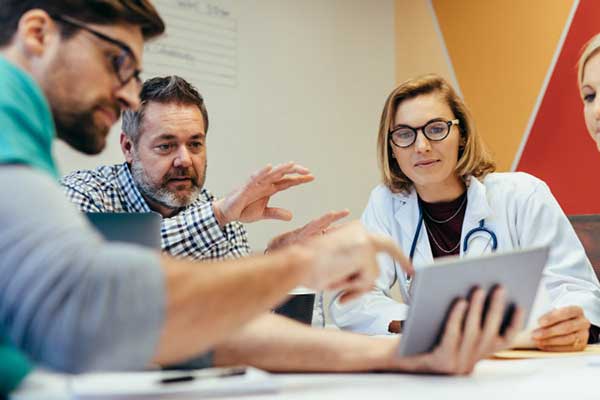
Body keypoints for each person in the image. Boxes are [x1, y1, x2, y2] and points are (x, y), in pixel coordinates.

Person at [0, 0, 520, 385]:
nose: (127, 92)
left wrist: (400, 354)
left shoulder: (28, 139)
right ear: (38, 33)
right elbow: (100, 304)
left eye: (196, 143)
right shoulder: (11, 122)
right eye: (117, 62)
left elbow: (207, 326)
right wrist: (297, 267)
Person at [330, 74, 600, 352]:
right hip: (439, 369)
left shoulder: (523, 194)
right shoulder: (386, 203)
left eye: (436, 129)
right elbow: (352, 299)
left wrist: (575, 323)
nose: (421, 146)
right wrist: (423, 323)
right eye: (404, 134)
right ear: (392, 148)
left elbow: (576, 288)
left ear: (462, 136)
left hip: (526, 361)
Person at [60, 75, 348, 261]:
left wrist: (278, 255)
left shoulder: (214, 209)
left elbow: (236, 302)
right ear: (128, 148)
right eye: (166, 146)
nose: (185, 160)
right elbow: (101, 274)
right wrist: (219, 215)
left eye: (195, 144)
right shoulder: (83, 194)